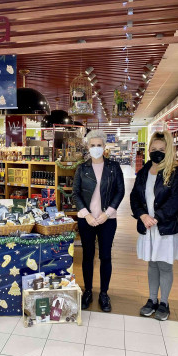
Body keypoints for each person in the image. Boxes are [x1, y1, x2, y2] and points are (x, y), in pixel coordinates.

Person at [130, 131, 178, 321]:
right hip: (148, 225)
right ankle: (152, 299)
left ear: (168, 150)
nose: (157, 152)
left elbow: (176, 200)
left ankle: (165, 302)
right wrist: (142, 215)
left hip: (166, 227)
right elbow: (134, 197)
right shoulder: (144, 172)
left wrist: (157, 218)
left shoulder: (176, 173)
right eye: (153, 149)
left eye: (161, 149)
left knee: (164, 265)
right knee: (152, 264)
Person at [73, 129, 125, 311]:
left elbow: (120, 191)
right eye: (92, 145)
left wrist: (107, 213)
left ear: (104, 147)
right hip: (86, 220)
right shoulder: (82, 168)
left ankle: (104, 293)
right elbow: (76, 193)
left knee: (105, 256)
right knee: (87, 256)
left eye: (99, 145)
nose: (96, 148)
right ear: (88, 147)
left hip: (107, 220)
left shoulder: (114, 167)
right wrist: (86, 214)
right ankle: (88, 290)